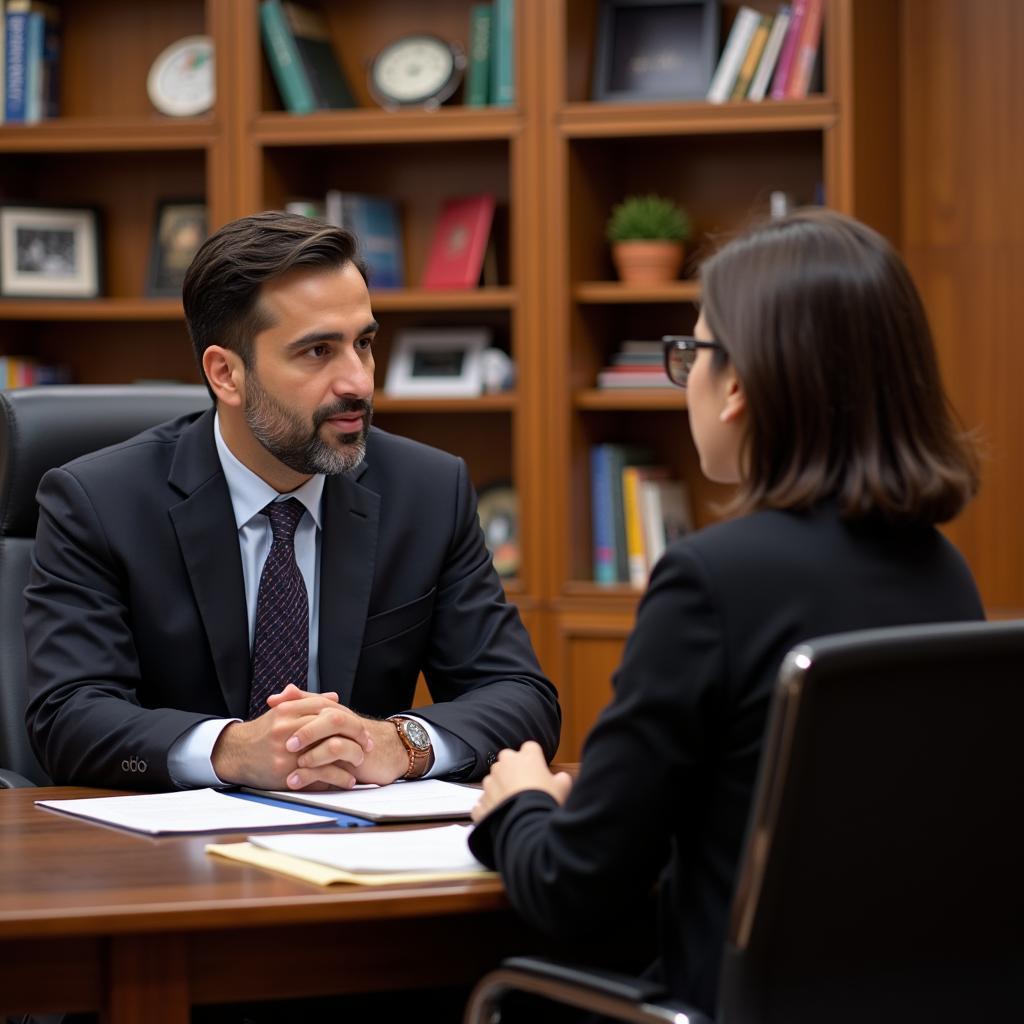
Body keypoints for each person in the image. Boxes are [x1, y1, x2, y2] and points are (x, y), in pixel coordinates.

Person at [468, 208, 984, 1017]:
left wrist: (521, 802)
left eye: (692, 353)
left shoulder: (712, 581)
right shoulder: (943, 574)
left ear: (737, 383)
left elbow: (571, 888)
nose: (689, 379)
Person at [24, 211, 560, 793]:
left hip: (359, 850)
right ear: (225, 373)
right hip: (165, 857)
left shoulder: (427, 490)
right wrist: (231, 750)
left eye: (364, 344)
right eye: (317, 352)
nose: (357, 381)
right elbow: (68, 716)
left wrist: (399, 743)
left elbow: (521, 697)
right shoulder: (100, 502)